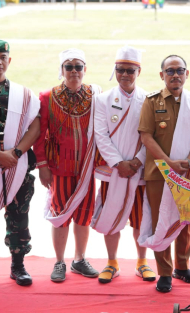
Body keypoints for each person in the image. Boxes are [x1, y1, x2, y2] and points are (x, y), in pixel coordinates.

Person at [137, 54, 190, 293]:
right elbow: (146, 136)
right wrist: (169, 163)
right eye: (170, 71)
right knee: (160, 221)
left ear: (187, 74)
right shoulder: (152, 101)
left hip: (187, 172)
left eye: (179, 70)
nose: (175, 75)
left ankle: (181, 265)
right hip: (159, 173)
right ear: (162, 75)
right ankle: (165, 272)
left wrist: (188, 161)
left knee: (185, 220)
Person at [34, 49, 101, 282]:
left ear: (85, 70)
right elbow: (39, 135)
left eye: (78, 67)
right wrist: (42, 165)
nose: (74, 71)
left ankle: (79, 259)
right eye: (69, 67)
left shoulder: (95, 95)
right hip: (59, 167)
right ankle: (60, 261)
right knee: (60, 215)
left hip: (86, 168)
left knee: (84, 214)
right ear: (61, 70)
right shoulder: (47, 97)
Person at [91, 46, 155, 283]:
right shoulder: (102, 99)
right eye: (120, 70)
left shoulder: (149, 99)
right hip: (114, 171)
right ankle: (112, 262)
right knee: (111, 216)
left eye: (130, 70)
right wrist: (119, 163)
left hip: (139, 170)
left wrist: (137, 161)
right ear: (115, 70)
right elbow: (101, 135)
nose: (125, 75)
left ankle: (142, 262)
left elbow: (152, 137)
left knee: (140, 218)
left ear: (139, 71)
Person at [0, 40, 40, 286]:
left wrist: (15, 153)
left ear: (9, 60)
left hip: (16, 166)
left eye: (2, 57)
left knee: (19, 216)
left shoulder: (22, 94)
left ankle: (17, 265)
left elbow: (35, 126)